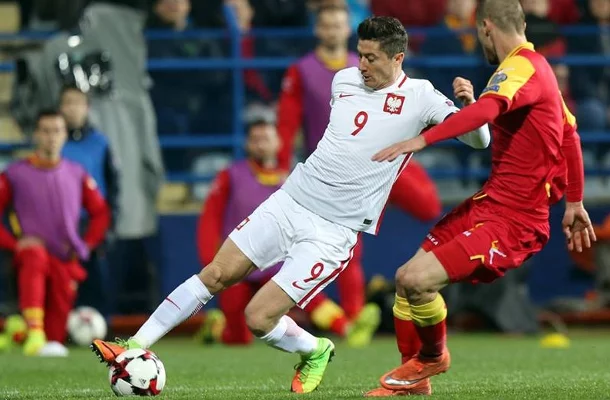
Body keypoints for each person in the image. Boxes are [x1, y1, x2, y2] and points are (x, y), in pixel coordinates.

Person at [91, 16, 489, 394]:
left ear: (398, 57)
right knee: (215, 273)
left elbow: (478, 141)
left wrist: (471, 109)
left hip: (332, 232)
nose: (362, 65)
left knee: (257, 318)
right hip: (290, 202)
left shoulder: (421, 97)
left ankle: (315, 350)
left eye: (371, 58)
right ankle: (132, 345)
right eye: (360, 54)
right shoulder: (344, 80)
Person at [366, 0, 595, 396]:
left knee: (418, 280)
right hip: (489, 204)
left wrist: (423, 139)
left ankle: (433, 357)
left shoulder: (521, 67)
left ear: (486, 27)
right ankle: (414, 379)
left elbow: (490, 112)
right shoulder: (535, 70)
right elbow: (570, 135)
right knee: (405, 281)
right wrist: (574, 203)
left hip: (514, 219)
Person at [277, 3, 443, 332]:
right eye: (326, 25)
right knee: (347, 245)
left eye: (338, 25)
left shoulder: (367, 63)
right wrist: (281, 165)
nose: (332, 31)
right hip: (338, 172)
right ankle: (354, 316)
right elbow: (286, 123)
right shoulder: (303, 71)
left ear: (346, 30)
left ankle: (409, 279)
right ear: (318, 29)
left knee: (429, 206)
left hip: (383, 158)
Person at [195, 117, 380, 347]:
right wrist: (211, 260)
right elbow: (210, 218)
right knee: (238, 338)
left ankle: (348, 328)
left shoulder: (297, 176)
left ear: (278, 143)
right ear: (247, 145)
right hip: (239, 262)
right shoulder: (231, 175)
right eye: (255, 139)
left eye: (266, 139)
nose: (260, 144)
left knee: (307, 296)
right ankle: (216, 327)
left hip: (277, 261)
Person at [0, 110, 111, 356]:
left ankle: (16, 331)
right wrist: (13, 244)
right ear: (35, 135)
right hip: (30, 256)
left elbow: (101, 212)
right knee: (35, 255)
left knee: (55, 340)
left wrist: (86, 245)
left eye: (57, 131)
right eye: (46, 131)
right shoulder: (15, 174)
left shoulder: (76, 172)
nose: (51, 137)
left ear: (65, 135)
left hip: (65, 260)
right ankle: (32, 329)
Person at [59, 85, 119, 315]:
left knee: (98, 286)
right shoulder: (54, 141)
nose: (72, 108)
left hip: (93, 226)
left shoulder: (100, 143)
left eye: (78, 103)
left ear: (87, 107)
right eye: (67, 103)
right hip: (61, 227)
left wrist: (109, 227)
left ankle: (101, 328)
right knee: (62, 288)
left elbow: (113, 187)